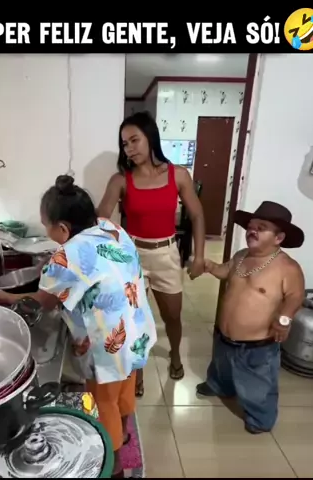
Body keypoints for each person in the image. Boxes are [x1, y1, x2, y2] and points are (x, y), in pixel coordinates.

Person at [0, 175, 157, 478]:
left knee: (103, 402)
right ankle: (124, 432)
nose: (45, 230)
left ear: (63, 228)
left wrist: (5, 297)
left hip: (108, 345)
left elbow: (43, 301)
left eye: (46, 225)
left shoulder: (67, 255)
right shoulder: (111, 227)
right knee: (123, 390)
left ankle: (114, 466)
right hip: (136, 332)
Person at [97, 111, 206, 395]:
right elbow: (101, 217)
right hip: (132, 257)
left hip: (166, 254)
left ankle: (175, 354)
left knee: (172, 316)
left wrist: (199, 256)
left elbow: (197, 215)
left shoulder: (178, 175)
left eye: (134, 140)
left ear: (151, 138)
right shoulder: (121, 180)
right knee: (135, 321)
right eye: (124, 144)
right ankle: (138, 369)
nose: (129, 149)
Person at [196, 201, 305, 434]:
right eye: (251, 227)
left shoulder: (287, 267)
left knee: (257, 387)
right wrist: (210, 266)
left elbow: (295, 296)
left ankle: (260, 418)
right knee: (221, 368)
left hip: (257, 346)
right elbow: (226, 271)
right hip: (224, 337)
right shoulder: (241, 255)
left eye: (261, 228)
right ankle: (219, 387)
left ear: (278, 238)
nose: (252, 231)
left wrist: (284, 319)